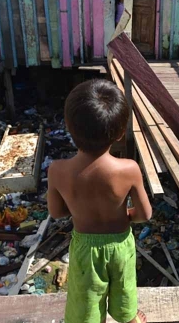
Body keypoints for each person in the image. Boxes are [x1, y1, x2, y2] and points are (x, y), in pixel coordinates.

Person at [47, 79, 152, 323]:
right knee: (124, 287)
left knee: (86, 300)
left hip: (85, 248)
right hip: (120, 245)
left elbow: (57, 212)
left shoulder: (58, 170)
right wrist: (125, 216)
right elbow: (145, 214)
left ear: (69, 128)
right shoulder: (129, 169)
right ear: (118, 133)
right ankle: (129, 317)